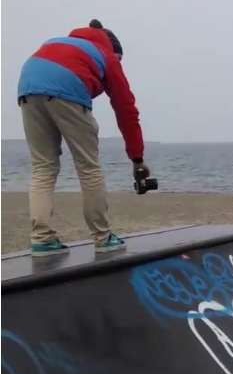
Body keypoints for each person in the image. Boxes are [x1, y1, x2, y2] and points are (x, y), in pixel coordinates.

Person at [17, 19, 151, 257]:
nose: (119, 64)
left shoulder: (59, 42)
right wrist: (137, 158)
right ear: (112, 50)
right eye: (119, 59)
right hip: (67, 89)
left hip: (28, 87)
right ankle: (103, 237)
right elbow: (126, 110)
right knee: (88, 167)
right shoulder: (107, 56)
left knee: (43, 167)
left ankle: (42, 240)